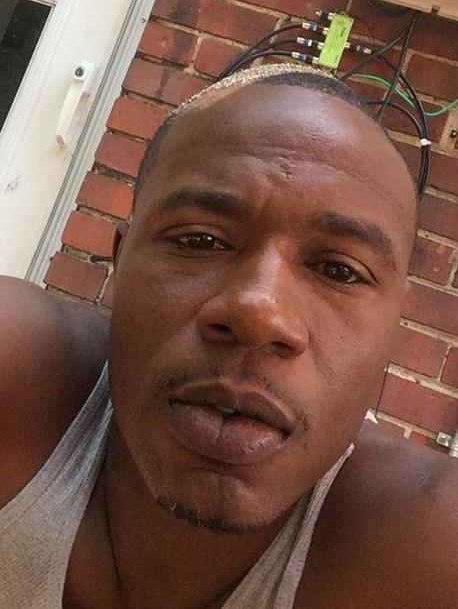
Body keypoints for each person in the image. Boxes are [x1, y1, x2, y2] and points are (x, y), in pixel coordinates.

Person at [0, 62, 456, 609]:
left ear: (393, 332)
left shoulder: (428, 548)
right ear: (120, 266)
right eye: (200, 240)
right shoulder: (18, 380)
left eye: (340, 271)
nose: (259, 313)